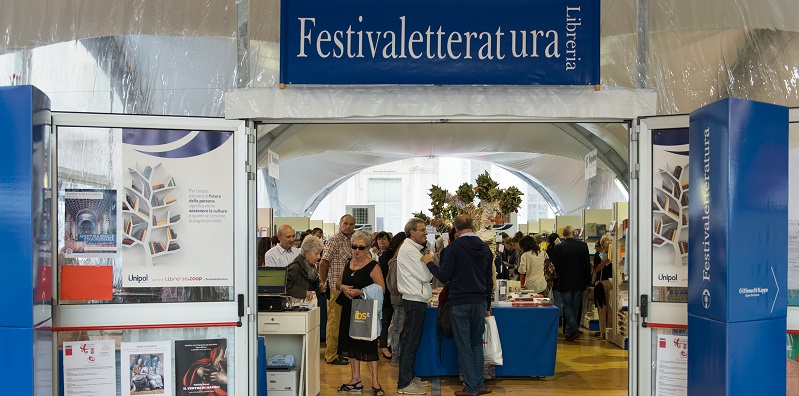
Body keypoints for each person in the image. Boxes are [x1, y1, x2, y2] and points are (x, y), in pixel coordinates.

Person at [424, 215, 494, 396]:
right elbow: (488, 281)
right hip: (479, 302)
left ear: (455, 228)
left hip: (460, 302)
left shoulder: (454, 248)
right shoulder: (485, 248)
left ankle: (472, 387)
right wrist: (487, 304)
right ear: (473, 226)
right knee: (476, 344)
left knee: (464, 346)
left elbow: (444, 275)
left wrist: (429, 263)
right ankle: (478, 383)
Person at [335, 231, 386, 396]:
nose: (357, 250)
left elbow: (381, 289)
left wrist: (361, 292)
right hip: (349, 309)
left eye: (361, 248)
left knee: (368, 346)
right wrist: (342, 288)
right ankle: (355, 379)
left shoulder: (373, 266)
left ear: (369, 248)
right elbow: (338, 282)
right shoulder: (348, 262)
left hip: (364, 312)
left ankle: (375, 383)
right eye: (354, 247)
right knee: (351, 345)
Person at [396, 218, 433, 395]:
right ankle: (404, 383)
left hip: (416, 299)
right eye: (422, 229)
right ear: (412, 232)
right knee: (410, 342)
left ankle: (409, 376)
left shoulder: (413, 249)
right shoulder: (410, 250)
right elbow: (426, 276)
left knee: (411, 341)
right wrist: (428, 262)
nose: (425, 232)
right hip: (414, 300)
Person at [319, 214, 356, 365]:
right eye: (345, 223)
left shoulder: (351, 241)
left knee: (342, 324)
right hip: (335, 288)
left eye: (351, 224)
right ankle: (331, 355)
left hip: (347, 289)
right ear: (340, 224)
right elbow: (323, 263)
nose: (348, 226)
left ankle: (338, 352)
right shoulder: (334, 240)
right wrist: (323, 283)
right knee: (334, 323)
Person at [551, 225, 592, 341]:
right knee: (575, 305)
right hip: (579, 281)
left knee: (567, 304)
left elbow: (555, 266)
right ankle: (573, 329)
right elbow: (586, 265)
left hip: (564, 281)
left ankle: (571, 329)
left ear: (563, 235)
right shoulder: (582, 246)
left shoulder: (558, 248)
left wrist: (555, 279)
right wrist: (588, 281)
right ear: (573, 233)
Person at [378, 231, 402, 360]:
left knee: (390, 321)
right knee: (387, 320)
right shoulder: (389, 256)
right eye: (379, 239)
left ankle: (387, 346)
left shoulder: (389, 255)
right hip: (387, 293)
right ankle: (384, 348)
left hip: (389, 293)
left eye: (384, 239)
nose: (381, 242)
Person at [384, 232, 407, 366]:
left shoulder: (398, 262)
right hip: (399, 300)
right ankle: (395, 356)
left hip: (401, 299)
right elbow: (394, 285)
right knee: (398, 328)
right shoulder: (396, 262)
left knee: (399, 328)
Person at [286, 235, 323, 305]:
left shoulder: (311, 266)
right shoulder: (295, 267)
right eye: (316, 254)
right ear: (307, 253)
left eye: (319, 254)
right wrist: (304, 292)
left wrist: (320, 288)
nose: (319, 257)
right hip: (298, 307)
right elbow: (285, 286)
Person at [593, 234, 613, 340]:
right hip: (601, 284)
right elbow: (596, 270)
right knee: (602, 309)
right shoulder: (599, 256)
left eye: (610, 245)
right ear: (602, 246)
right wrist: (605, 260)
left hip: (611, 284)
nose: (607, 248)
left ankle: (609, 331)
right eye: (606, 246)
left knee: (610, 310)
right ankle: (603, 332)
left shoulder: (615, 255)